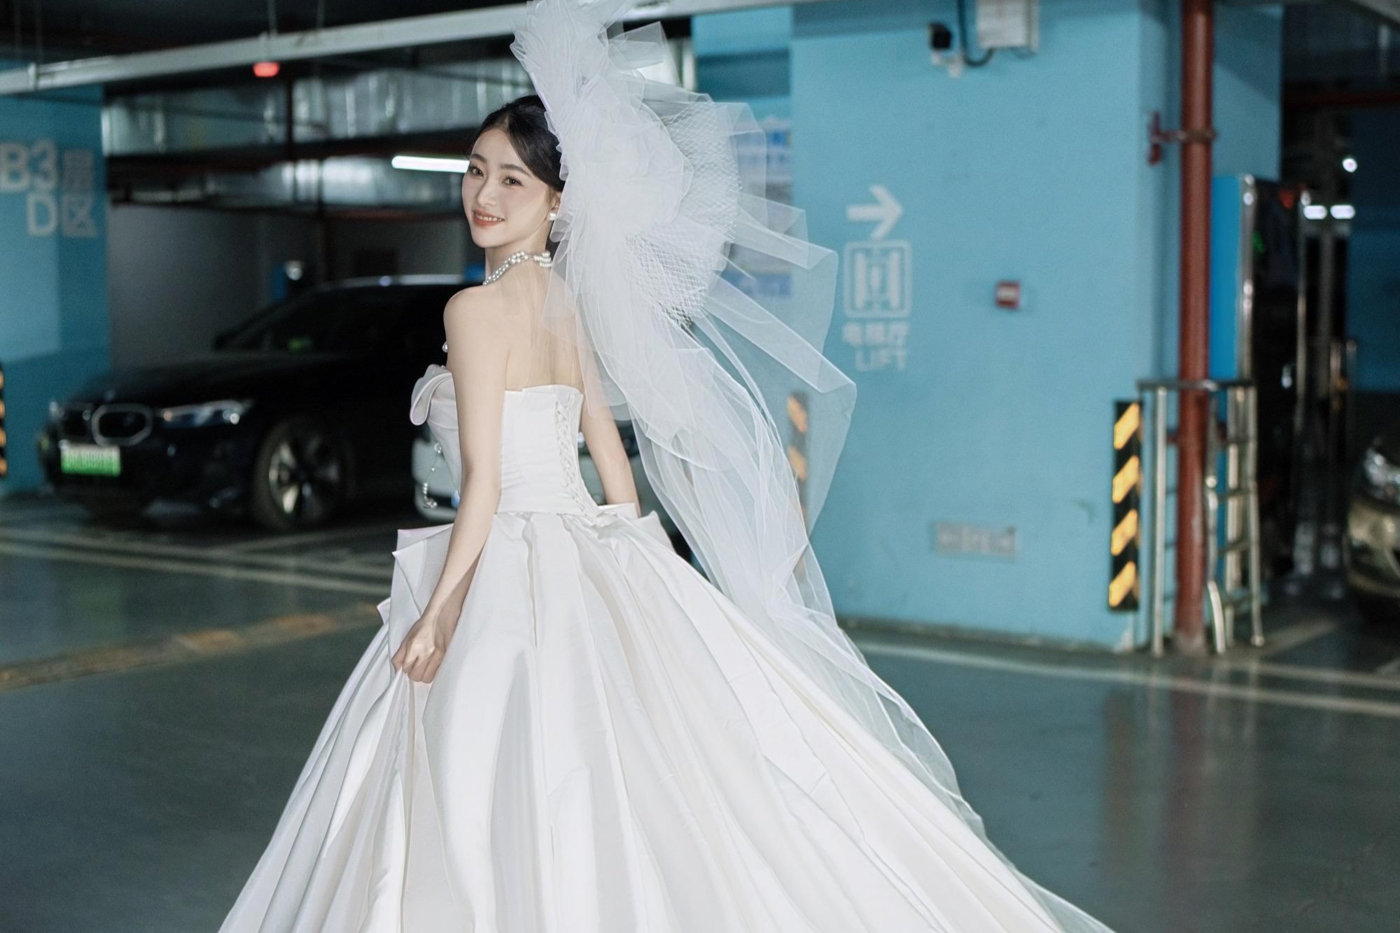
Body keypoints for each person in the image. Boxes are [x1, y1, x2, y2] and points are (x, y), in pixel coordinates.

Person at [218, 1, 1118, 930]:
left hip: (508, 557)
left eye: (513, 179)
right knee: (645, 767)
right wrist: (639, 554)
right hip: (589, 544)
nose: (484, 194)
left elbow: (484, 483)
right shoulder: (566, 302)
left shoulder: (471, 313)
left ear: (557, 201)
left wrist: (440, 612)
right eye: (476, 171)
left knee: (483, 765)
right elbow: (609, 450)